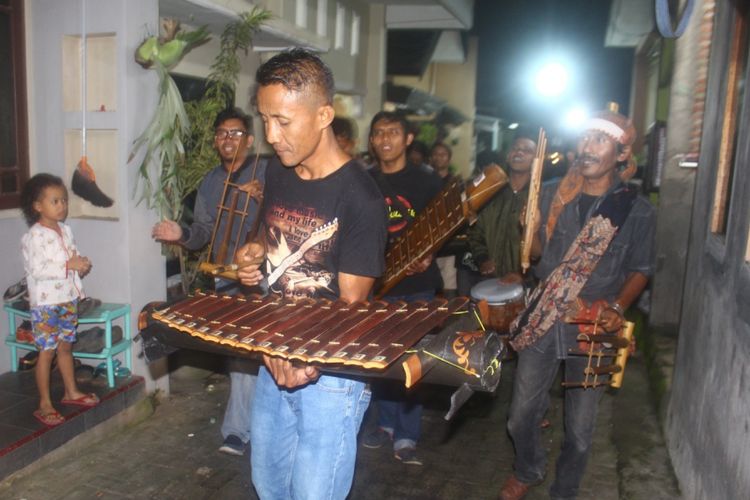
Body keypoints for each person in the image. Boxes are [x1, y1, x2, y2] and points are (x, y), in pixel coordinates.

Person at [234, 48, 387, 500]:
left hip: (330, 375)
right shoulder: (279, 170)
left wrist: (303, 358)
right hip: (273, 354)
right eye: (264, 119)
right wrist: (254, 252)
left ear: (324, 115)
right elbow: (267, 232)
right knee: (269, 485)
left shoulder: (361, 199)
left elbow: (351, 309)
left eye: (283, 120)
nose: (271, 135)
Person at [499, 109, 656, 500]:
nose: (586, 148)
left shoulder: (635, 210)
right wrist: (529, 230)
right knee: (520, 416)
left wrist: (617, 308)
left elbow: (641, 269)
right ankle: (528, 467)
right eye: (584, 139)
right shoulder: (553, 194)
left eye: (599, 140)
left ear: (621, 154)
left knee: (582, 430)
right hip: (544, 315)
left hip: (592, 325)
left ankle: (565, 489)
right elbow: (535, 257)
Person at [151, 107, 266, 457]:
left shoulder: (268, 169)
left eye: (234, 133)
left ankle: (265, 427)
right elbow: (202, 233)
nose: (226, 139)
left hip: (267, 278)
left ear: (248, 138)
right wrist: (181, 233)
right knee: (242, 356)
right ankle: (238, 430)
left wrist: (266, 197)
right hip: (229, 279)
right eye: (221, 133)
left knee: (273, 354)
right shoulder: (212, 182)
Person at [362, 111, 444, 466]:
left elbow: (443, 226)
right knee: (381, 359)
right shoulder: (364, 181)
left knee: (412, 361)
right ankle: (384, 423)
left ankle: (407, 433)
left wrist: (430, 253)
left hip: (418, 286)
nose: (385, 139)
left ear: (408, 139)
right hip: (378, 286)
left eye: (393, 132)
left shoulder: (426, 181)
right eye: (378, 133)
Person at [20, 173, 100, 427]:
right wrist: (69, 265)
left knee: (65, 347)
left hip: (66, 300)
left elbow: (70, 259)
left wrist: (80, 265)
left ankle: (71, 391)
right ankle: (44, 404)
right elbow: (38, 269)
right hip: (46, 304)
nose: (62, 205)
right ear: (37, 206)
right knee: (47, 352)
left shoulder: (65, 230)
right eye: (55, 201)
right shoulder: (34, 236)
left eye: (64, 200)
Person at [467, 133, 537, 284]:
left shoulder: (540, 196)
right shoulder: (489, 192)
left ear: (536, 161)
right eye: (515, 148)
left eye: (527, 150)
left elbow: (544, 245)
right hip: (489, 280)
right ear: (507, 156)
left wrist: (524, 274)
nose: (519, 152)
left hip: (525, 284)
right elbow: (475, 231)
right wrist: (482, 259)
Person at [429, 142, 459, 296]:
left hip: (449, 245)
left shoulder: (456, 183)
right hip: (428, 245)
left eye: (443, 154)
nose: (438, 158)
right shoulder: (424, 181)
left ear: (449, 158)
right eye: (436, 154)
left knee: (449, 292)